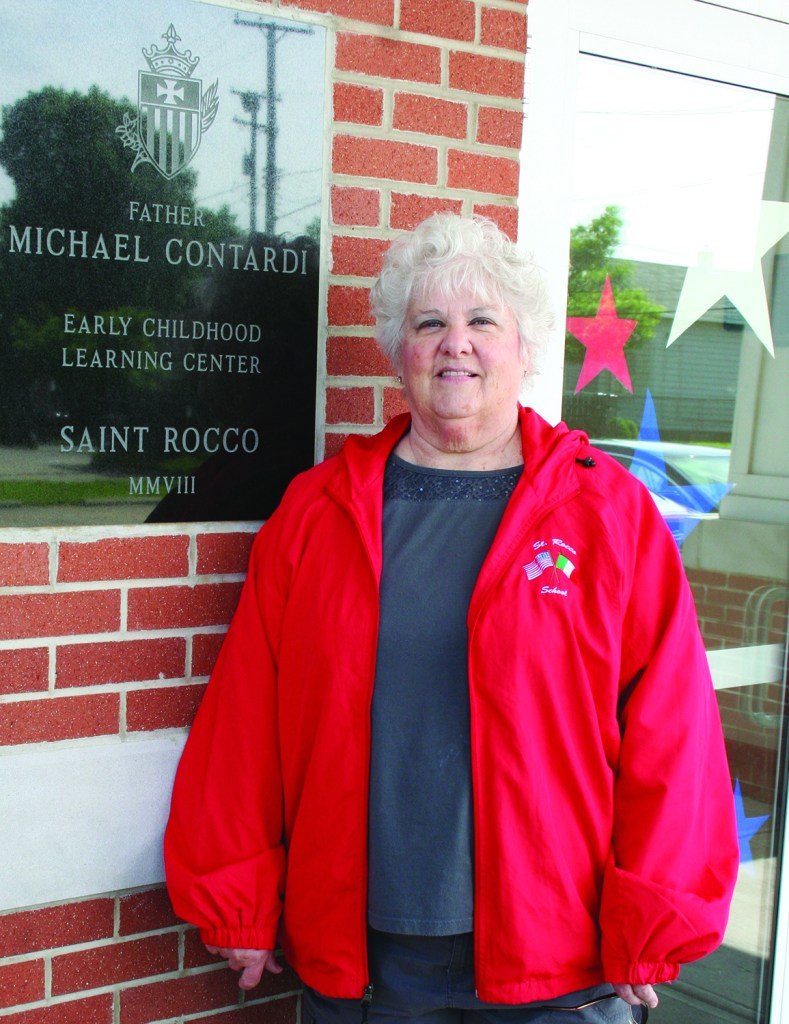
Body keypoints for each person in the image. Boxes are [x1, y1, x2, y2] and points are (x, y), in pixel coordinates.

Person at [164, 214, 739, 1024]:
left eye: (481, 322)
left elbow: (670, 726)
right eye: (427, 322)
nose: (453, 343)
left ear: (525, 346)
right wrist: (237, 896)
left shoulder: (605, 513)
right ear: (398, 348)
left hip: (559, 962)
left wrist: (657, 914)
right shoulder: (317, 513)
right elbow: (245, 721)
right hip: (367, 961)